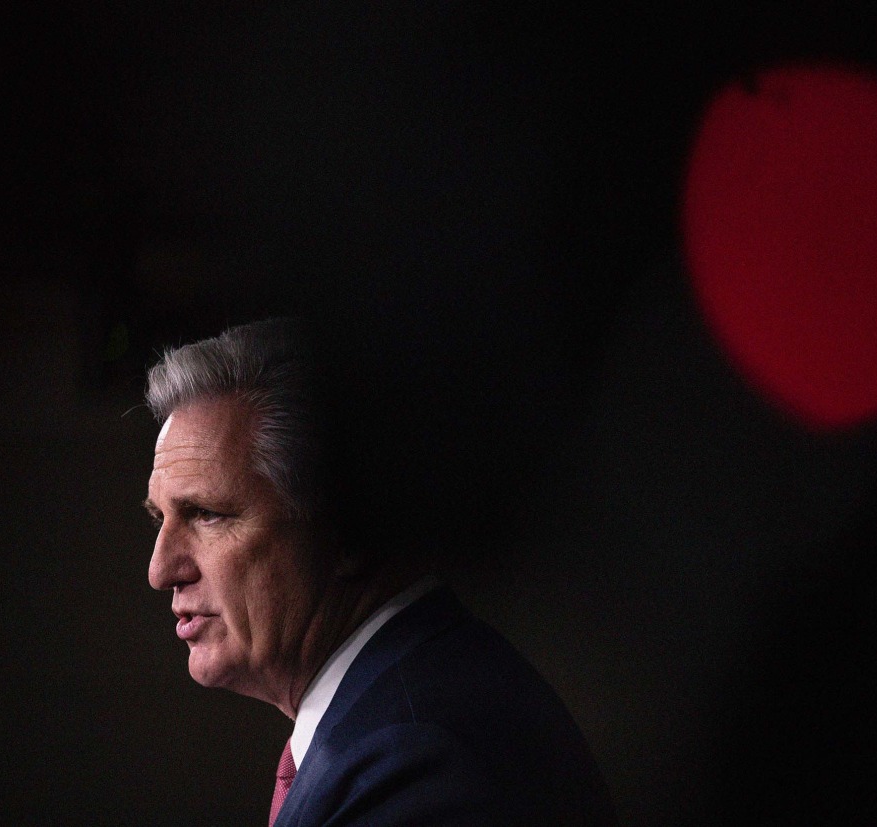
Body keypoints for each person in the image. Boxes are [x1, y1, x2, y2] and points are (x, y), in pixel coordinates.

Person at [142, 318, 618, 826]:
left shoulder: (415, 760)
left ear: (348, 527)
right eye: (159, 518)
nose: (160, 569)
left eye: (207, 515)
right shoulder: (400, 708)